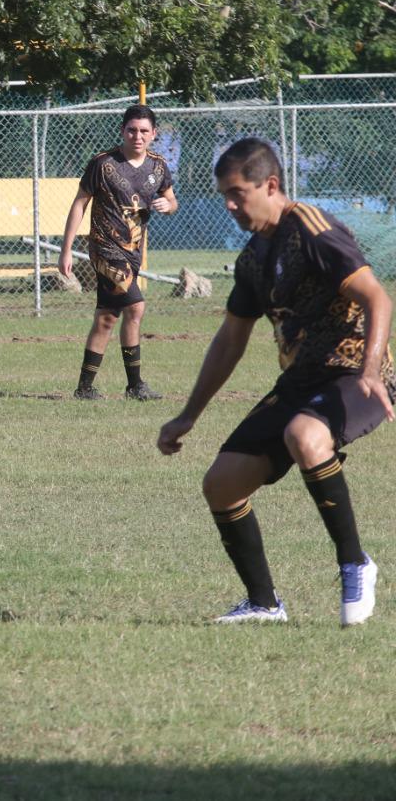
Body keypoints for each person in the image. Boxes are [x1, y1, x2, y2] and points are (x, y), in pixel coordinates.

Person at [156, 138, 388, 625]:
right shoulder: (253, 258)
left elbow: (377, 297)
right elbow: (230, 341)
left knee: (305, 435)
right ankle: (264, 604)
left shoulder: (312, 230)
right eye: (225, 194)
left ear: (271, 185)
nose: (230, 204)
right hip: (300, 382)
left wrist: (371, 368)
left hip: (354, 375)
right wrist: (188, 415)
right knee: (221, 485)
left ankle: (355, 563)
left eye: (238, 193)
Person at [59, 104, 179, 400]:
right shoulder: (102, 164)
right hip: (104, 248)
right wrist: (66, 250)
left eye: (143, 131)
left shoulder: (159, 166)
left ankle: (85, 388)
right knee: (136, 307)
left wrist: (168, 206)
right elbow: (79, 203)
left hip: (133, 251)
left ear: (154, 134)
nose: (137, 136)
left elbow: (171, 199)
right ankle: (135, 385)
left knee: (107, 317)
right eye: (131, 130)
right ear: (122, 130)